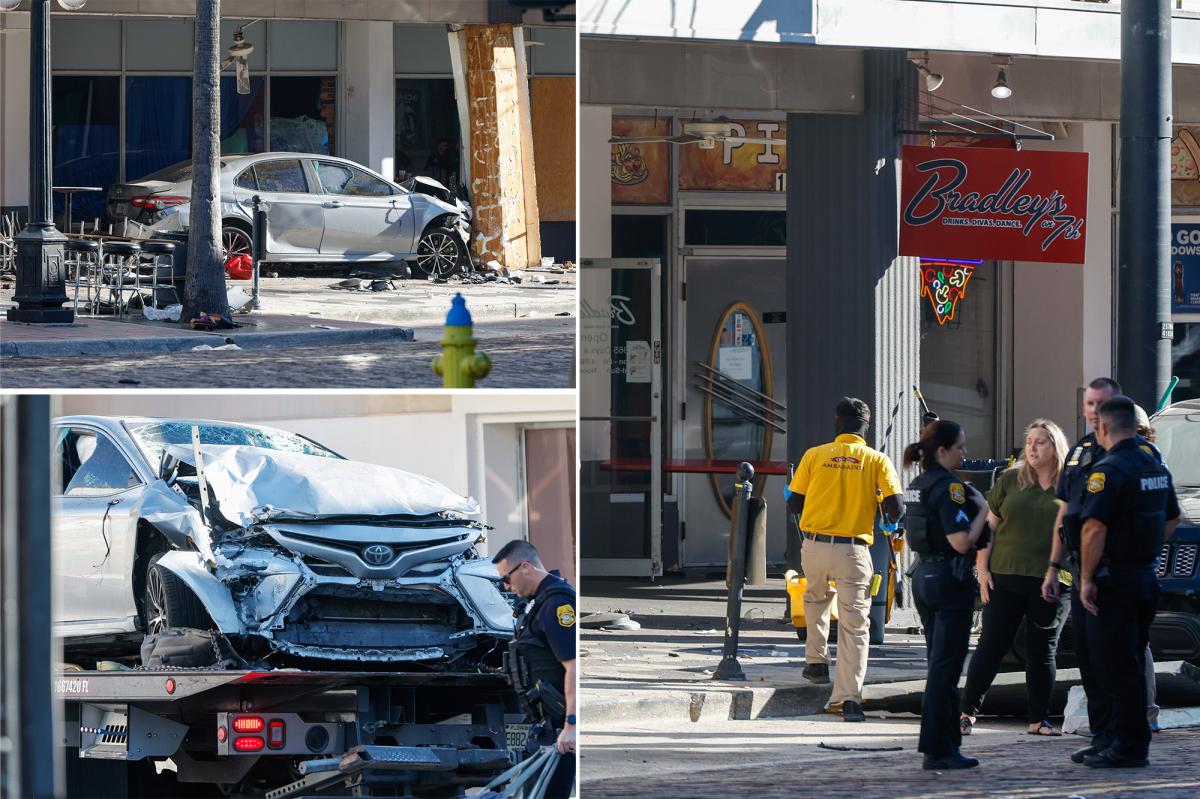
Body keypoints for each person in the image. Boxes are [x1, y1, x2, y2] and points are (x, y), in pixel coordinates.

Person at [1071, 395, 1181, 767]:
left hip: (1114, 580)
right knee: (1129, 662)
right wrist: (1145, 549)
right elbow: (1172, 518)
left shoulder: (1110, 469)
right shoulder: (1153, 463)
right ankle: (1122, 740)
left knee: (1115, 667)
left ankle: (1128, 746)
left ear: (1103, 427)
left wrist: (1087, 578)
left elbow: (1094, 529)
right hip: (1143, 576)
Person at [787, 397, 904, 722]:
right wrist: (879, 506)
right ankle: (848, 699)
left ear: (836, 420)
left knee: (815, 600)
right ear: (867, 426)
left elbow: (794, 503)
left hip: (815, 545)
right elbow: (896, 508)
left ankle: (816, 662)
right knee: (855, 626)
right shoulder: (877, 460)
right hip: (853, 551)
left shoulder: (814, 455)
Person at [959, 420, 1071, 737]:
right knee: (992, 645)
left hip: (1053, 579)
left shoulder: (1069, 484)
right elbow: (989, 528)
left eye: (1041, 442)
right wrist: (982, 571)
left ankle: (1039, 719)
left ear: (1055, 447)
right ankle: (966, 712)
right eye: (1029, 441)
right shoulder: (1011, 479)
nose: (1032, 448)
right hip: (1005, 575)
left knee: (1042, 649)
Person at [903, 419, 990, 770]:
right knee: (946, 668)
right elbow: (961, 541)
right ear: (942, 451)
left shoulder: (917, 483)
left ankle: (943, 744)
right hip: (947, 580)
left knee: (938, 664)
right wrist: (983, 510)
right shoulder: (949, 487)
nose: (965, 453)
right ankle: (939, 748)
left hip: (923, 576)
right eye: (960, 447)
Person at [1041, 377, 1119, 763]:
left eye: (1101, 404)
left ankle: (1122, 737)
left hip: (1114, 572)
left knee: (1115, 660)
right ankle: (1103, 736)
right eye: (1089, 403)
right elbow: (1065, 515)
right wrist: (1053, 567)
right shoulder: (1078, 453)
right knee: (1088, 658)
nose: (1094, 411)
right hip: (1079, 568)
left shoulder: (1128, 453)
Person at [493, 540, 576, 797]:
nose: (506, 586)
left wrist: (571, 725)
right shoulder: (536, 604)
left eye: (506, 578)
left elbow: (574, 666)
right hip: (544, 725)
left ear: (525, 567)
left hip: (560, 727)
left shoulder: (556, 604)